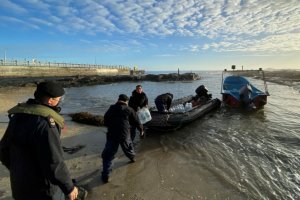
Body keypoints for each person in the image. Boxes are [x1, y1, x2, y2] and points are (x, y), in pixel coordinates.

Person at [0, 81, 87, 200]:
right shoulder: (45, 124)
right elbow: (54, 162)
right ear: (50, 100)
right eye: (58, 99)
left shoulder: (18, 115)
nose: (59, 101)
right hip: (42, 190)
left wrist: (18, 169)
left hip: (19, 185)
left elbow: (3, 149)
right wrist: (69, 188)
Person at [101, 94, 143, 183]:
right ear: (126, 101)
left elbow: (106, 119)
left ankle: (106, 175)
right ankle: (132, 158)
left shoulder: (111, 108)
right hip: (124, 134)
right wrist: (141, 130)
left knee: (109, 155)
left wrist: (110, 126)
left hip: (112, 134)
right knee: (128, 148)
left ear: (118, 99)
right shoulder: (129, 109)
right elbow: (137, 121)